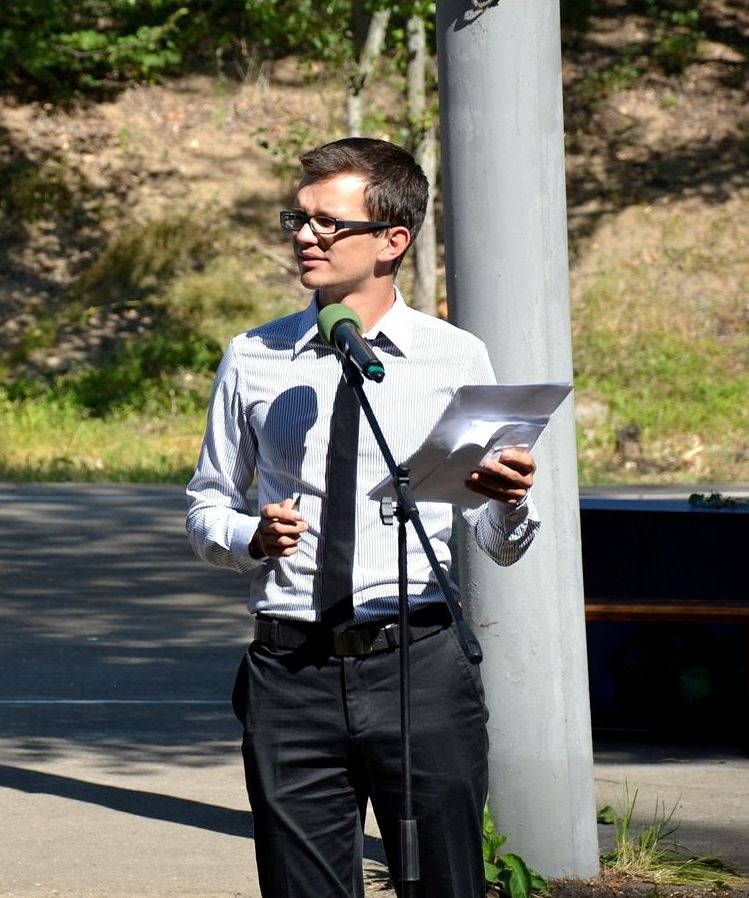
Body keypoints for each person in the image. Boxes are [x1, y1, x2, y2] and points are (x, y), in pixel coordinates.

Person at [186, 137, 540, 898]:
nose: (305, 236)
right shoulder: (253, 355)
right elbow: (206, 504)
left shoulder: (454, 357)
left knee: (445, 883)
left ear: (392, 240)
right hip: (289, 674)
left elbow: (492, 539)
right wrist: (250, 536)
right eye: (299, 218)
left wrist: (508, 504)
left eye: (328, 222)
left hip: (419, 667)